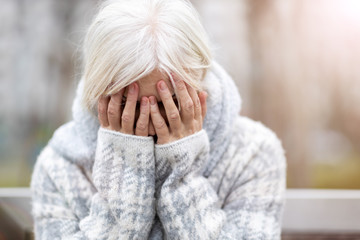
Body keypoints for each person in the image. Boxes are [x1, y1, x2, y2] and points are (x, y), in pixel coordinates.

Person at [30, 0, 287, 239]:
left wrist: (182, 175)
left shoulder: (254, 153)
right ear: (99, 95)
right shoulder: (59, 167)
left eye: (170, 103)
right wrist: (124, 181)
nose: (150, 123)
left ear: (201, 81)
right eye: (127, 105)